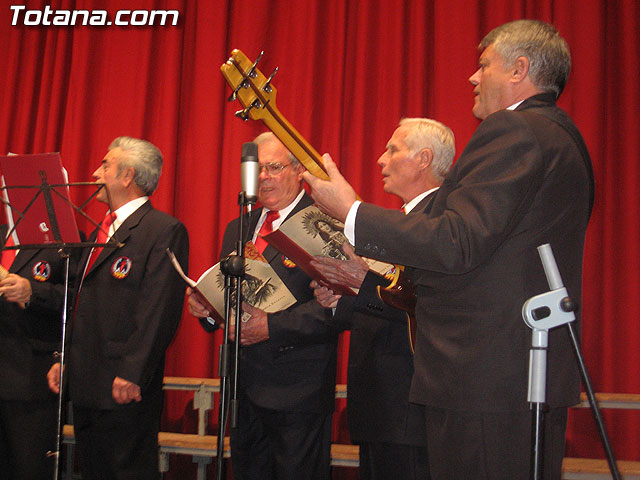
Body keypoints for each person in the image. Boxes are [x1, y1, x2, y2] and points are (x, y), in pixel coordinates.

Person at [303, 20, 594, 480]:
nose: (473, 78)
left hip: (485, 376)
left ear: (519, 69)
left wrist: (352, 211)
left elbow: (456, 241)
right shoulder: (560, 134)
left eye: (483, 65)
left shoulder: (514, 130)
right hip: (515, 372)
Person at [188, 132, 338, 480]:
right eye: (259, 169)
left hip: (298, 391)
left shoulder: (323, 222)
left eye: (274, 167)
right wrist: (209, 310)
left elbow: (335, 308)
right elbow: (230, 296)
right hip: (242, 388)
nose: (264, 177)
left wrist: (272, 326)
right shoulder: (238, 226)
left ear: (299, 170)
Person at [311, 118, 454, 480]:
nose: (380, 159)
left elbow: (432, 304)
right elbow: (379, 302)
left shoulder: (442, 221)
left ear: (424, 159)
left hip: (409, 404)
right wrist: (338, 300)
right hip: (378, 403)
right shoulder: (398, 222)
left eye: (393, 150)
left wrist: (362, 285)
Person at [47, 136, 189, 479]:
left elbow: (159, 309)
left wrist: (133, 371)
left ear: (127, 175)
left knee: (126, 471)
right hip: (85, 381)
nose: (95, 174)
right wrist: (63, 358)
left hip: (122, 386)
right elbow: (81, 303)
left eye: (105, 166)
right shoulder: (101, 229)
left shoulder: (163, 230)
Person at [0, 227, 80, 479]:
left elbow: (80, 299)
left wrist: (32, 292)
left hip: (31, 378)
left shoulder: (66, 239)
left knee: (28, 469)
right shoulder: (3, 232)